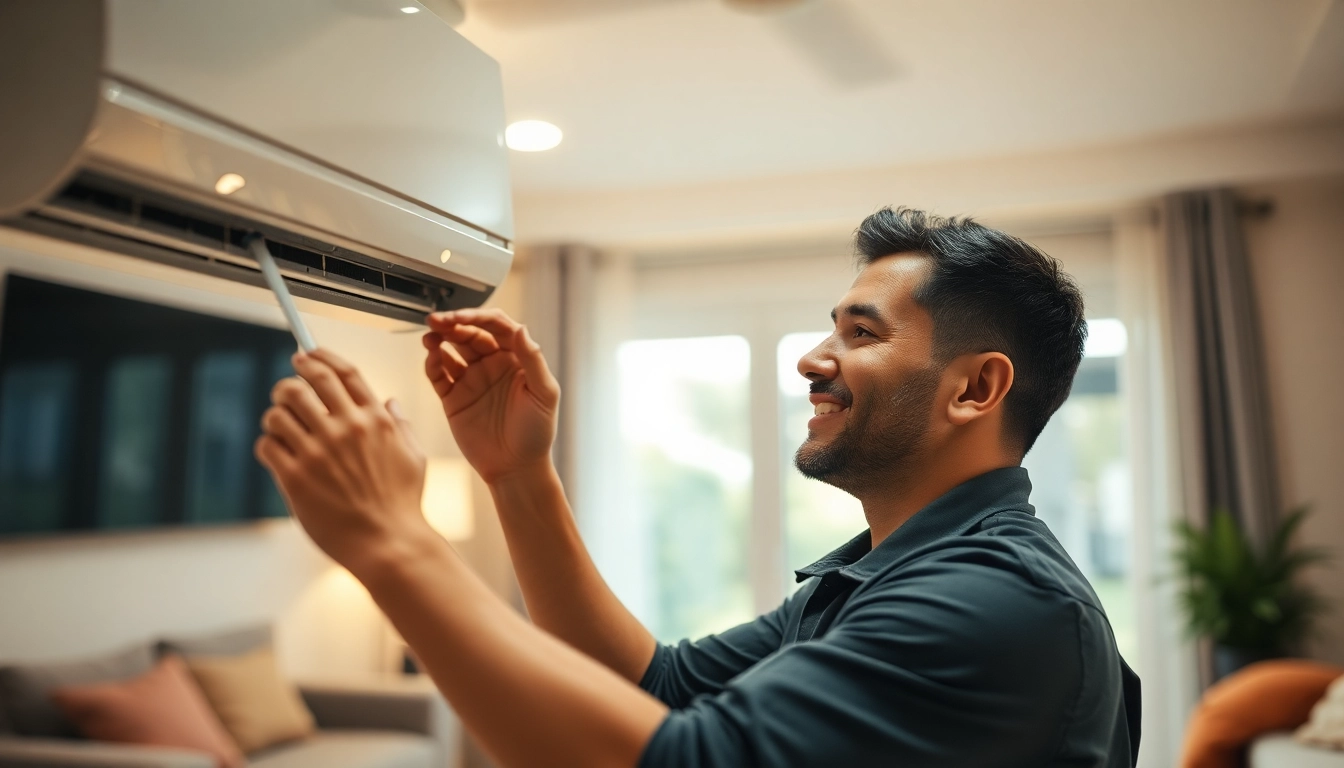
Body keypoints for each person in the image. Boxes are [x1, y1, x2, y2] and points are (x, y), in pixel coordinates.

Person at [255, 207, 1141, 767]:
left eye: (862, 334)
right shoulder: (879, 574)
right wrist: (518, 474)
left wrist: (394, 546)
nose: (813, 358)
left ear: (976, 389)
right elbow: (658, 689)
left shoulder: (993, 600)